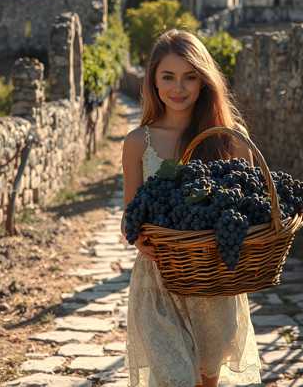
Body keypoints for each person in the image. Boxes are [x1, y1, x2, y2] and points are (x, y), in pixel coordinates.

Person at [121, 29, 262, 387]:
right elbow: (131, 216)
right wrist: (139, 240)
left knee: (206, 378)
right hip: (159, 281)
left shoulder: (229, 139)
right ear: (152, 80)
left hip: (213, 280)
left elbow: (251, 207)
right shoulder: (138, 143)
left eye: (190, 77)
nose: (178, 88)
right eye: (168, 76)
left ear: (204, 82)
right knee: (174, 378)